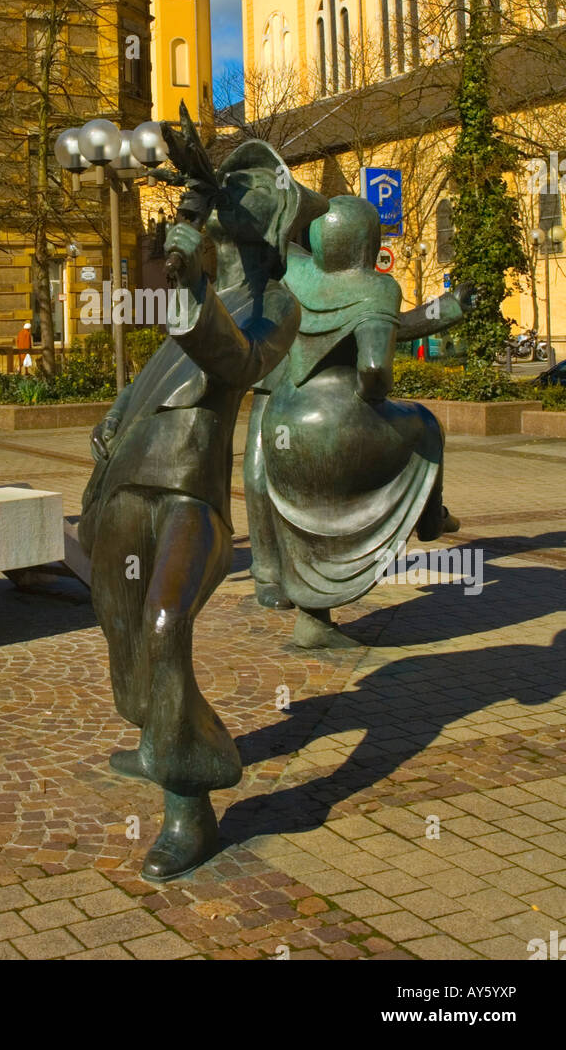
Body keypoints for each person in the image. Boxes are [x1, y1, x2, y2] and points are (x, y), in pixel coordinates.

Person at [80, 141, 325, 880]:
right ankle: (157, 732)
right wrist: (120, 409)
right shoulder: (198, 274)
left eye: (251, 192)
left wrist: (198, 290)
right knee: (120, 630)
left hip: (192, 491)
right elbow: (163, 359)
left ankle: (190, 797)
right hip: (131, 474)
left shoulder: (282, 301)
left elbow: (240, 364)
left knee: (164, 621)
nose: (231, 199)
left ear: (276, 220)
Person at [244, 194, 465, 648]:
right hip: (337, 417)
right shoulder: (377, 287)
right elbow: (373, 368)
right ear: (368, 241)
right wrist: (374, 396)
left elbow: (383, 323)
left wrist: (446, 310)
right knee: (425, 425)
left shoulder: (293, 272)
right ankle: (430, 522)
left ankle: (313, 619)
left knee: (310, 507)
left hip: (285, 418)